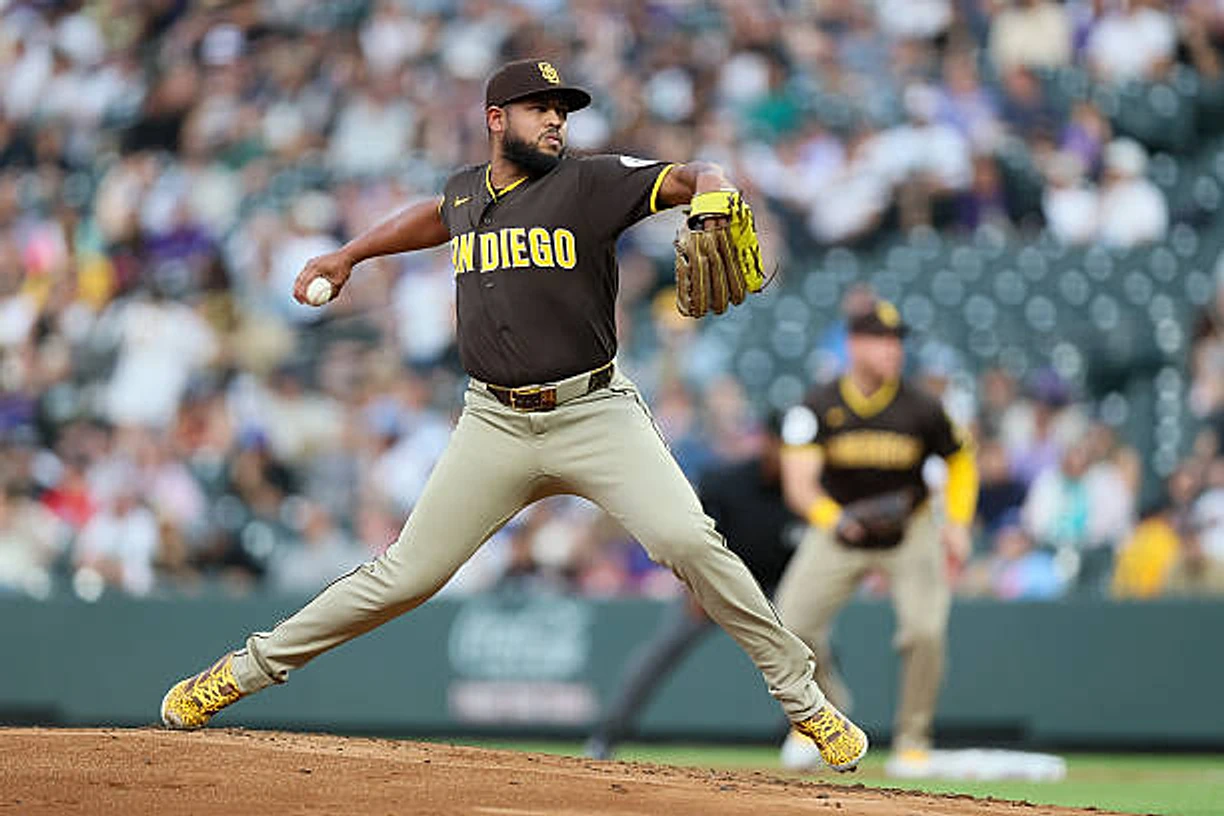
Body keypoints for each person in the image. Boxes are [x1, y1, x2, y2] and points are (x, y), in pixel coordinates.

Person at [158, 59, 866, 771]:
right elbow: (434, 217)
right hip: (493, 421)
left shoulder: (588, 183)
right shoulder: (466, 192)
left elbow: (692, 175)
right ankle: (240, 674)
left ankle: (805, 701)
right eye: (539, 107)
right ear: (496, 119)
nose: (556, 119)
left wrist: (713, 187)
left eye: (562, 109)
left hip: (593, 413)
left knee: (689, 540)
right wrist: (350, 254)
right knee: (404, 574)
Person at [773, 299, 978, 778]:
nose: (893, 349)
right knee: (790, 625)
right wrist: (834, 519)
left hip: (909, 530)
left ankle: (913, 742)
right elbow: (799, 484)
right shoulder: (817, 404)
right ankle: (820, 717)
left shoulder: (922, 406)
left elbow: (961, 458)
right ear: (853, 345)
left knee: (924, 632)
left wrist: (957, 522)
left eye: (897, 340)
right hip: (840, 527)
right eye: (881, 340)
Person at [583, 413, 806, 760]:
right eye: (785, 447)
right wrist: (694, 586)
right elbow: (693, 538)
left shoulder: (806, 490)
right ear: (768, 443)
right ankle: (606, 736)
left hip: (773, 589)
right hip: (714, 583)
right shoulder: (728, 482)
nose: (791, 456)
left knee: (811, 647)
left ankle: (805, 737)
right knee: (659, 654)